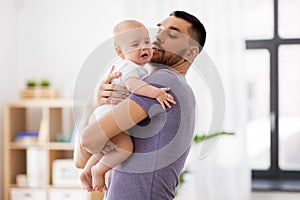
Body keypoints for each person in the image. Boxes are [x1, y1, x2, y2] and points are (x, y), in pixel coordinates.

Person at [74, 10, 206, 199]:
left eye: (172, 34)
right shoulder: (175, 87)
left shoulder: (163, 82)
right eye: (159, 29)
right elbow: (82, 159)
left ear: (191, 52)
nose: (158, 36)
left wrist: (92, 106)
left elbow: (88, 140)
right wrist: (95, 103)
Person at [78, 19, 176, 192]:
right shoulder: (130, 67)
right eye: (135, 44)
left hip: (105, 112)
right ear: (120, 52)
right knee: (125, 149)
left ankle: (88, 170)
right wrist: (157, 93)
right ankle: (98, 170)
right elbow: (133, 86)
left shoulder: (132, 66)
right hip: (109, 112)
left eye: (146, 42)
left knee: (108, 149)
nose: (143, 47)